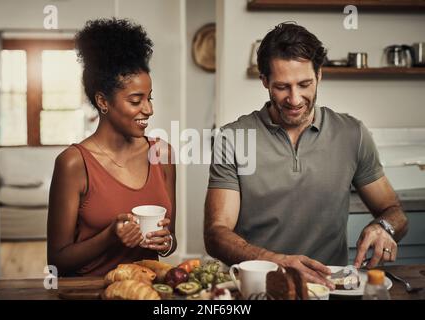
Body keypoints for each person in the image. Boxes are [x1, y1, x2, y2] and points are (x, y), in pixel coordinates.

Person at [204, 22, 408, 289]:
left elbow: (394, 213)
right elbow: (216, 234)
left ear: (319, 75)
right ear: (264, 80)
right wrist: (275, 261)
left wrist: (384, 227)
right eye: (282, 87)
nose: (295, 98)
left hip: (331, 287)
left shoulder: (352, 134)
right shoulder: (232, 138)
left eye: (304, 84)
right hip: (259, 287)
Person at [47, 18, 176, 277]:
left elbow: (171, 242)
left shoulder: (163, 153)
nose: (149, 109)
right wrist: (110, 237)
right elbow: (57, 260)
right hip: (90, 292)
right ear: (103, 101)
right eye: (135, 100)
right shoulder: (73, 163)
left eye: (149, 98)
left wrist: (167, 242)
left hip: (145, 290)